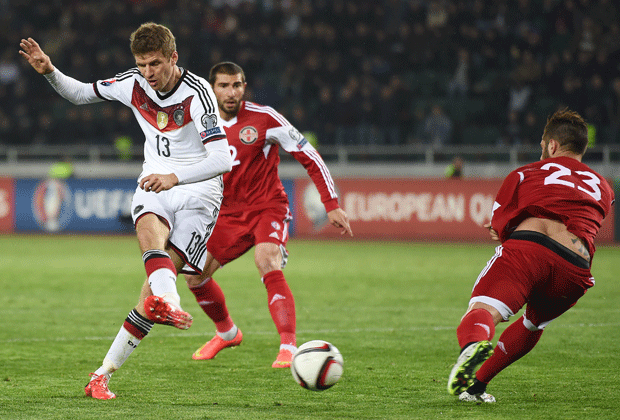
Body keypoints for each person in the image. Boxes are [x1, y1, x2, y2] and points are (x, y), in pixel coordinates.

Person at [19, 23, 232, 400]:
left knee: (148, 294)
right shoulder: (134, 82)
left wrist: (175, 176)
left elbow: (221, 158)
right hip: (155, 183)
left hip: (200, 194)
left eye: (154, 64)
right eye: (141, 64)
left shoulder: (199, 93)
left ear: (173, 58)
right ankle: (172, 304)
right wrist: (50, 71)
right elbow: (82, 94)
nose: (148, 73)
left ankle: (101, 374)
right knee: (149, 234)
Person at [184, 62, 353, 368]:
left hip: (266, 207)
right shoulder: (198, 123)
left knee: (266, 259)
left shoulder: (265, 118)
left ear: (244, 87)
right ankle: (227, 333)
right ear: (212, 89)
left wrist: (331, 203)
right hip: (225, 216)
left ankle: (288, 346)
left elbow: (309, 155)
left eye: (237, 85)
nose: (231, 92)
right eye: (223, 86)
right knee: (194, 275)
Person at [447, 109, 614, 403]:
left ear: (551, 145)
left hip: (529, 248)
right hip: (574, 267)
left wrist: (502, 229)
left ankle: (473, 344)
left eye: (542, 145)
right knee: (532, 323)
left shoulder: (523, 174)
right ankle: (476, 387)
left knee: (484, 310)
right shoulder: (604, 186)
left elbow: (500, 225)